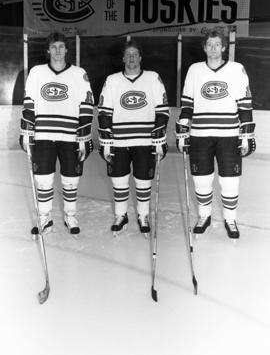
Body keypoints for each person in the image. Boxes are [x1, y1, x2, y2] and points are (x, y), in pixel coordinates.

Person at [176, 28, 256, 239]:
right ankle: (204, 216)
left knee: (229, 181)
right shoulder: (194, 70)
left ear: (223, 47)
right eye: (209, 45)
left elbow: (245, 104)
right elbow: (187, 104)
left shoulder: (237, 69)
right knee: (201, 179)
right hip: (200, 134)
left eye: (216, 45)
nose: (213, 49)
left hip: (229, 135)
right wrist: (183, 131)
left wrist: (247, 135)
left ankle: (230, 219)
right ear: (204, 48)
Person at [20, 31, 94, 237]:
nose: (58, 51)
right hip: (43, 135)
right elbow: (29, 102)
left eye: (61, 47)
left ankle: (70, 216)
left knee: (71, 179)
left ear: (67, 50)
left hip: (70, 136)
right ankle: (45, 218)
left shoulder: (79, 73)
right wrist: (26, 130)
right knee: (43, 179)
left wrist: (84, 135)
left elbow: (86, 104)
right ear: (47, 50)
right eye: (54, 47)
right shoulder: (36, 72)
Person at [98, 38, 170, 236]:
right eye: (128, 55)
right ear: (123, 58)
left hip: (145, 141)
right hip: (119, 141)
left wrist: (159, 134)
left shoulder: (153, 78)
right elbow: (104, 112)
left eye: (134, 55)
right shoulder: (112, 80)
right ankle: (121, 215)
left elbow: (163, 110)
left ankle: (143, 215)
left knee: (143, 180)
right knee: (119, 180)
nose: (131, 58)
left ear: (140, 57)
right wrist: (106, 140)